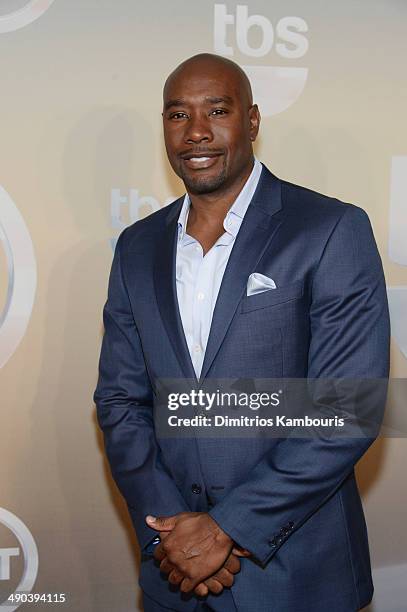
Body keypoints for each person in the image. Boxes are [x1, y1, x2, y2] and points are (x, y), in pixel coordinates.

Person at [93, 53, 390, 612]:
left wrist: (227, 529)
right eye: (178, 115)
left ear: (251, 121)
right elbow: (119, 400)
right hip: (173, 574)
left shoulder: (329, 229)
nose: (196, 131)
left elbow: (347, 407)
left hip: (297, 577)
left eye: (217, 110)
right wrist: (174, 537)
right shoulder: (136, 246)